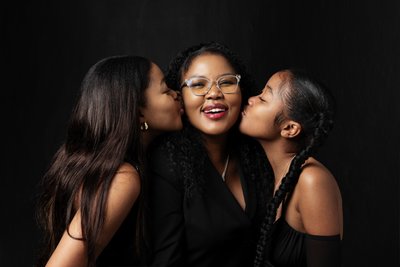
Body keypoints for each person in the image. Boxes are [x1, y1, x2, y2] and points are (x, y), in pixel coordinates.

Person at [35, 55, 183, 267]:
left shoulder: (108, 167)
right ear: (139, 114)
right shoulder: (123, 177)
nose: (177, 94)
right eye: (166, 90)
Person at [147, 42, 272, 267]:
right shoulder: (167, 163)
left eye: (226, 82)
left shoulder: (255, 155)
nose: (214, 93)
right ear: (179, 97)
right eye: (198, 84)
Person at [239, 69, 343, 267]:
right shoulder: (269, 175)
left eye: (263, 98)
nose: (251, 99)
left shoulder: (312, 180)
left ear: (289, 128)